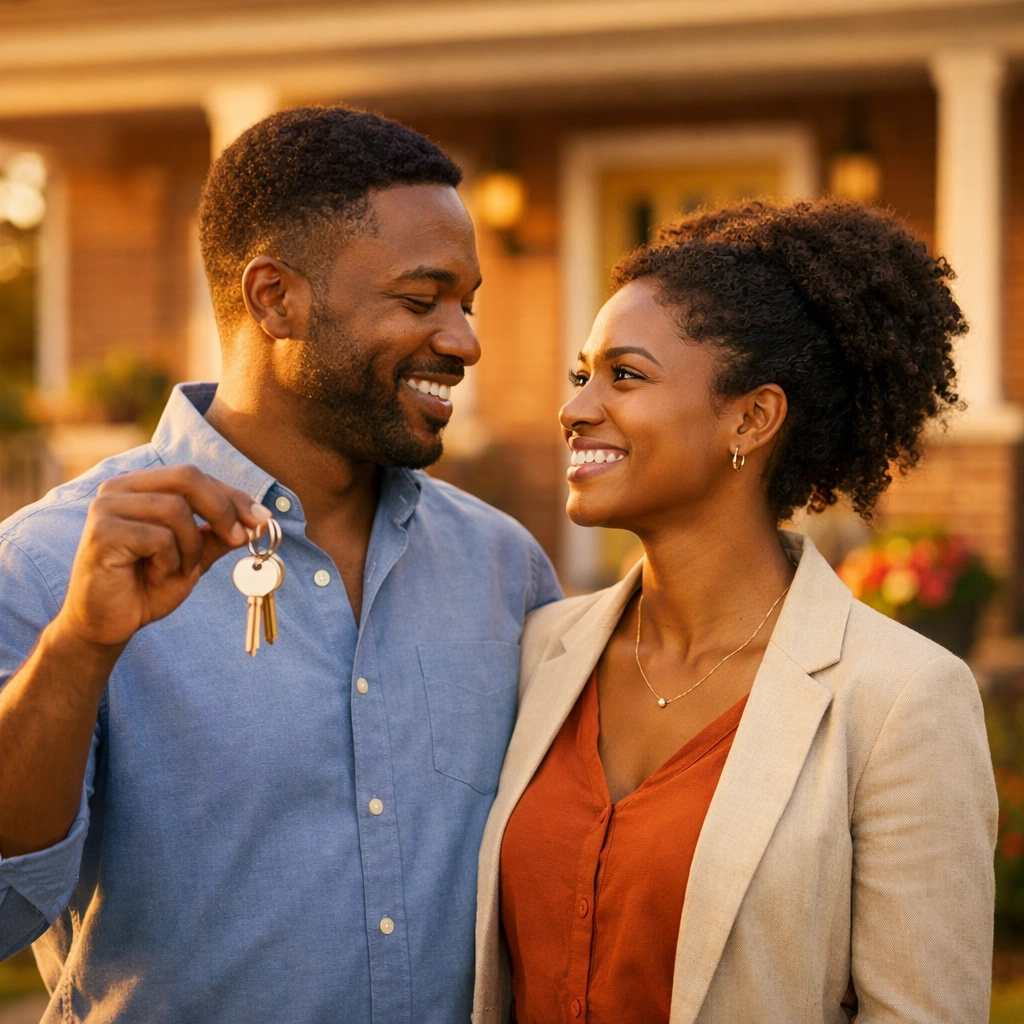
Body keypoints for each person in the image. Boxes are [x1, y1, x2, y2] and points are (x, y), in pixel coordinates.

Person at [0, 107, 560, 1023]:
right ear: (274, 298)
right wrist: (78, 648)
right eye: (422, 301)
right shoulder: (49, 564)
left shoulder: (506, 569)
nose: (464, 341)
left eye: (469, 302)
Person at [473, 200, 997, 1024]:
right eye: (583, 376)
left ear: (751, 418)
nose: (576, 409)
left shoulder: (900, 699)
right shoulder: (542, 651)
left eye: (627, 375)